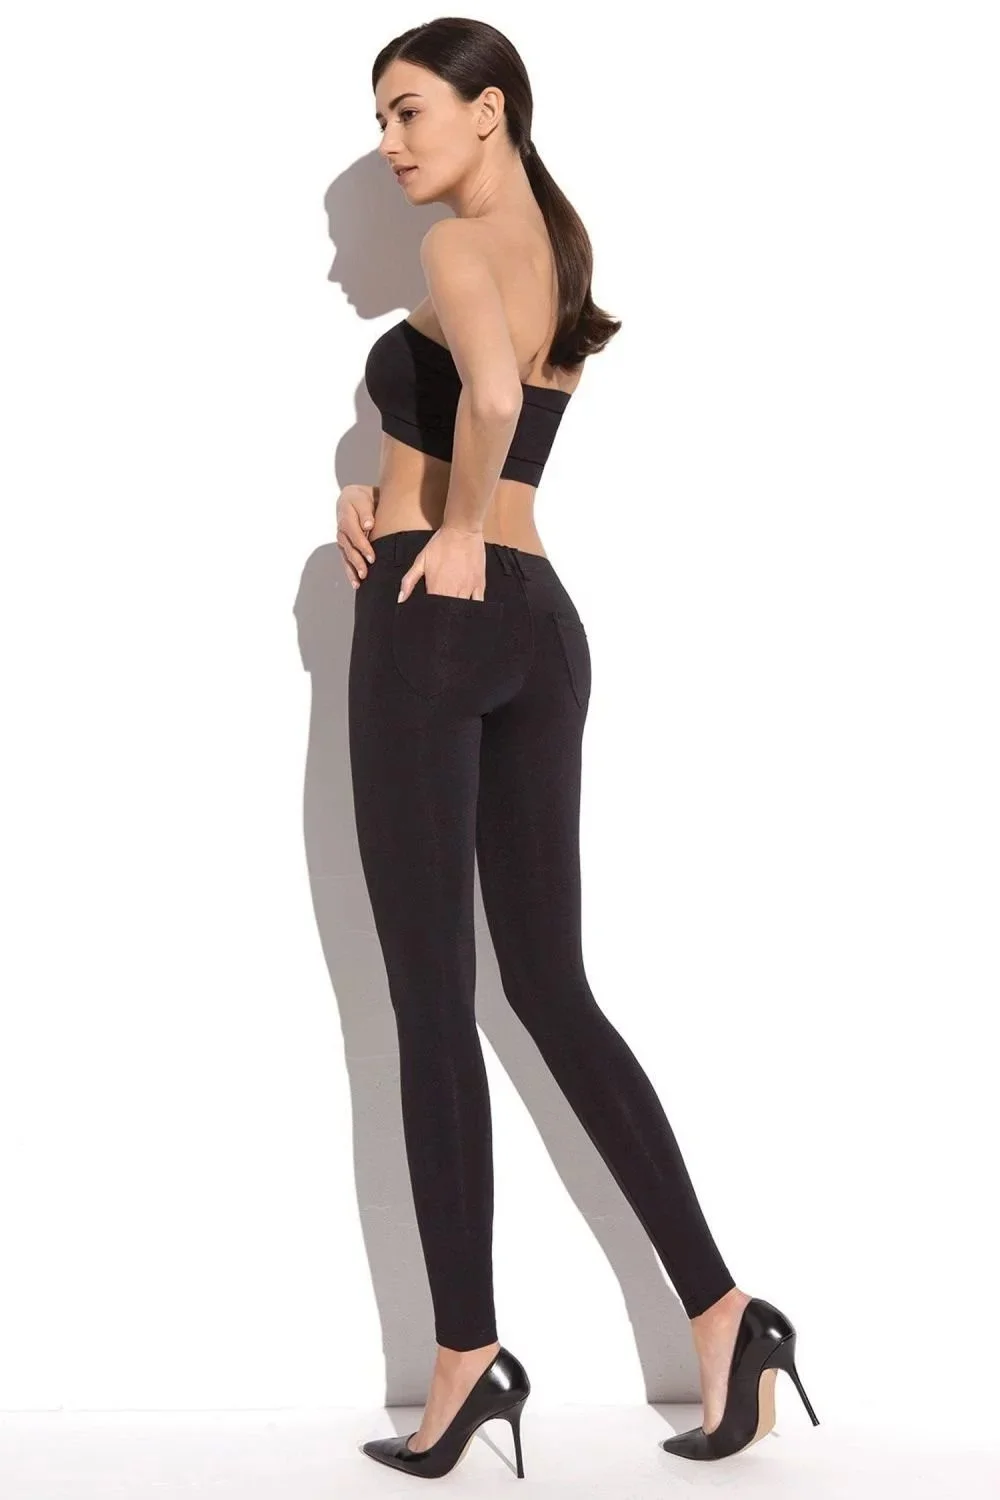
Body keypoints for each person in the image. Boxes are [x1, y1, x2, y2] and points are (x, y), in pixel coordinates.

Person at [337, 17, 818, 1480]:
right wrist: (381, 491)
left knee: (433, 1005)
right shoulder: (549, 243)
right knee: (550, 987)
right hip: (542, 628)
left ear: (489, 110)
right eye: (381, 117)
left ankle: (466, 1362)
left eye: (410, 111)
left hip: (436, 626)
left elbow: (486, 400)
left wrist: (441, 528)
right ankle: (726, 1315)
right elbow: (490, 407)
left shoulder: (452, 249)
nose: (390, 141)